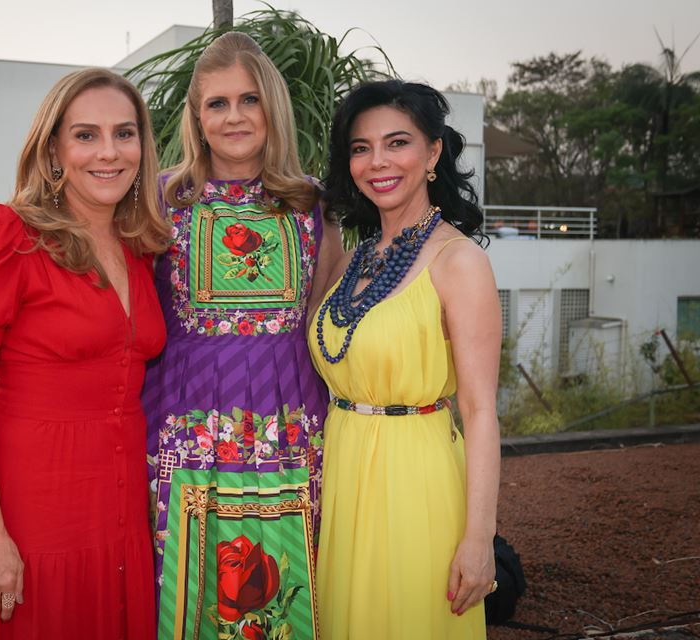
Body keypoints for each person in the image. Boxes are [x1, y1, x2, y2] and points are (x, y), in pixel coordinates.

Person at [0, 68, 171, 639]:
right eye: (86, 135)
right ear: (54, 147)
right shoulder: (10, 236)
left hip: (122, 515)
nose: (109, 152)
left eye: (124, 134)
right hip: (36, 517)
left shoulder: (140, 249)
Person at [141, 32, 343, 638]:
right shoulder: (161, 200)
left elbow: (323, 317)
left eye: (248, 100)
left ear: (271, 109)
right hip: (185, 421)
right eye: (218, 104)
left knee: (287, 581)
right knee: (188, 587)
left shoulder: (312, 204)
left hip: (290, 420)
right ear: (197, 118)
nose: (234, 117)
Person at [310, 79, 502, 638]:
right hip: (344, 473)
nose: (378, 162)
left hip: (416, 479)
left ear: (434, 152)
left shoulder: (458, 261)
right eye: (361, 148)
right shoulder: (349, 260)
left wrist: (479, 538)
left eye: (398, 143)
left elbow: (481, 409)